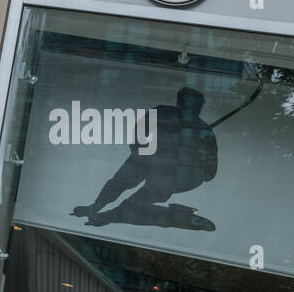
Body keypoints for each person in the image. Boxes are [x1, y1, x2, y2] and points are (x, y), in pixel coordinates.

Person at [72, 87, 219, 230]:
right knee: (120, 181)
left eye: (196, 107)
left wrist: (191, 163)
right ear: (179, 103)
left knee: (137, 202)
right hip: (146, 159)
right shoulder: (162, 112)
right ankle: (97, 208)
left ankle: (175, 216)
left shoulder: (204, 131)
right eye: (189, 106)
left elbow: (210, 168)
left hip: (172, 174)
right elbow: (139, 134)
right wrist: (144, 155)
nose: (192, 111)